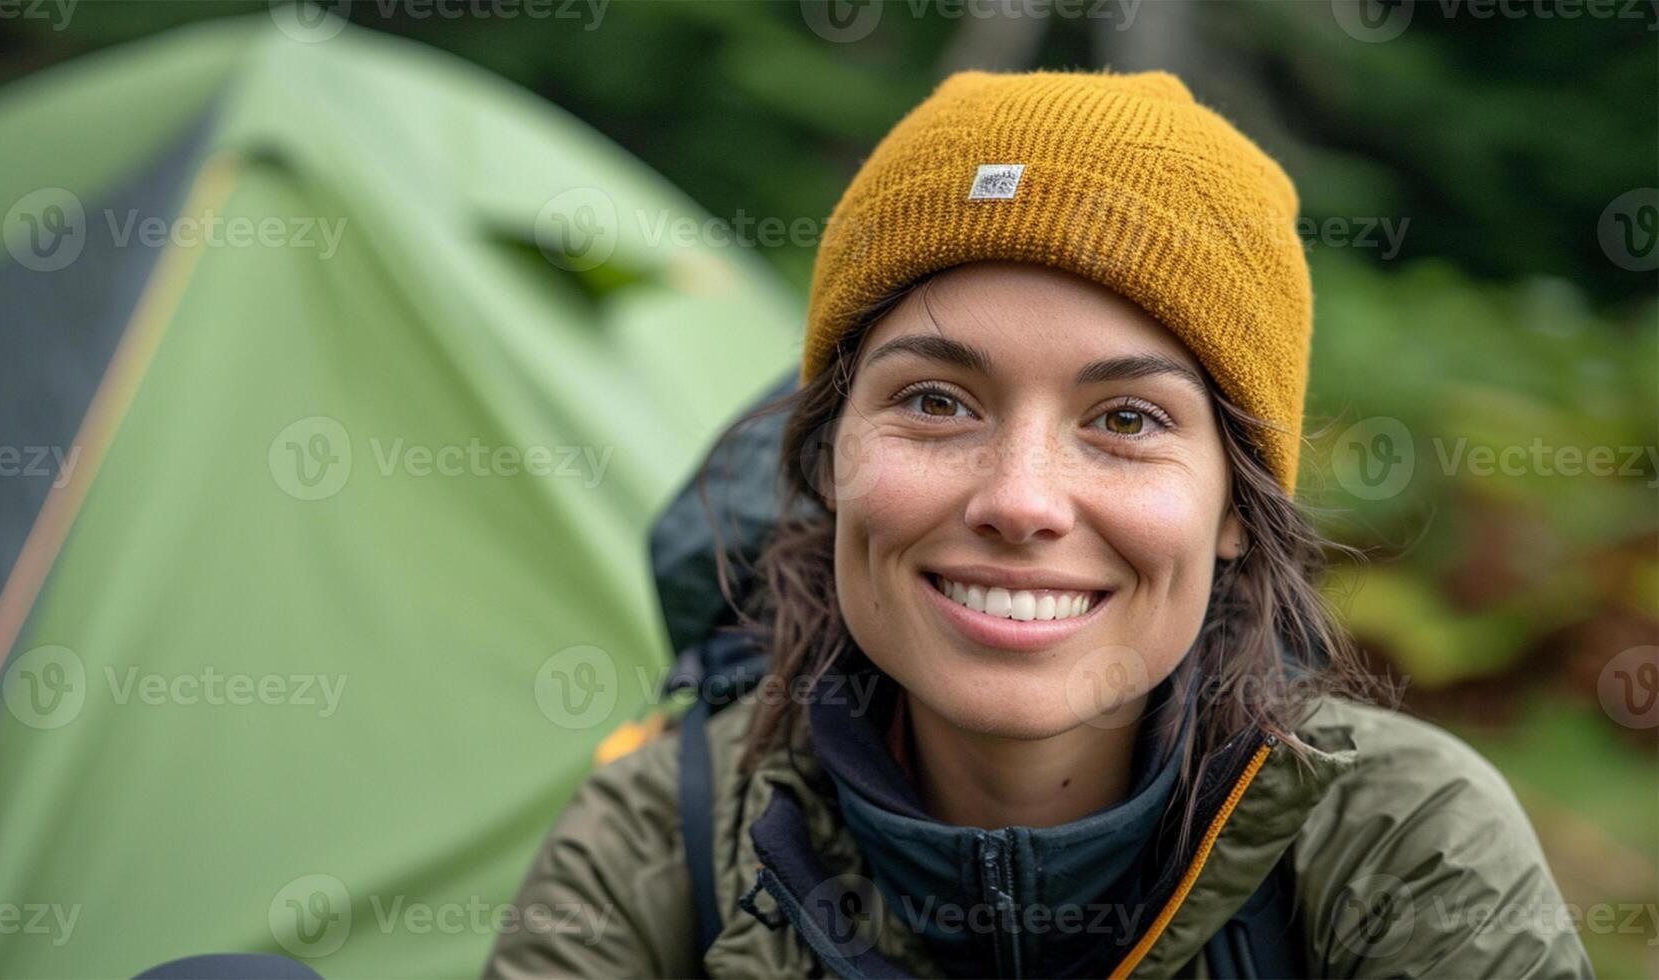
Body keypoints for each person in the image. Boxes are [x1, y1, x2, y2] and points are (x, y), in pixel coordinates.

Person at [486, 69, 1593, 979]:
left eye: (1125, 418)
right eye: (935, 401)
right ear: (828, 460)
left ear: (1234, 511)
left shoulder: (1401, 845)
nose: (1019, 499)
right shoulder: (665, 832)